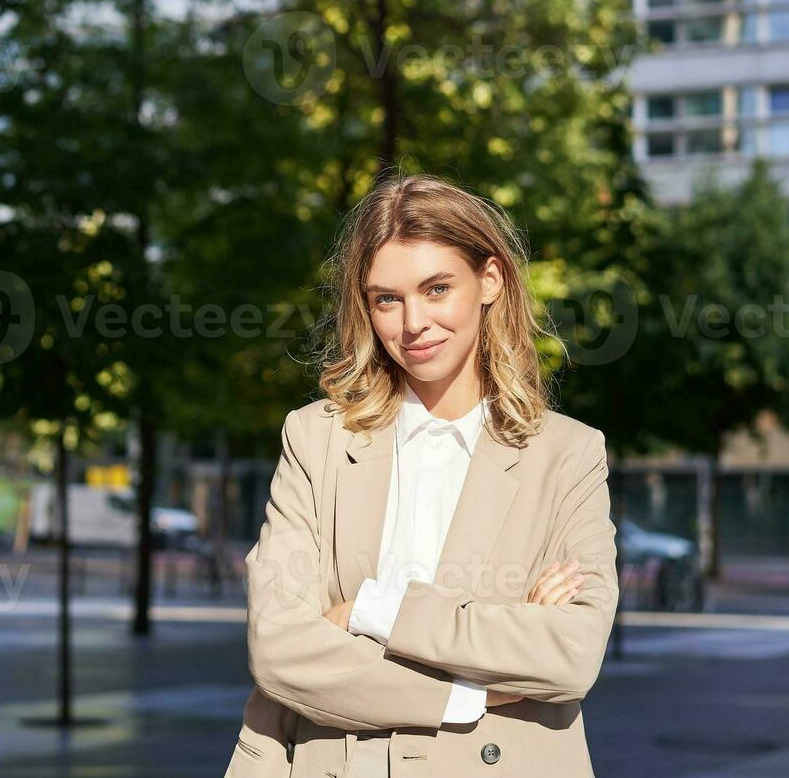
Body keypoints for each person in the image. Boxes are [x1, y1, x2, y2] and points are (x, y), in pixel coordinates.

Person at [228, 173, 619, 777]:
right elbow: (279, 649)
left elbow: (569, 655)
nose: (413, 323)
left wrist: (372, 610)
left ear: (490, 281)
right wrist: (470, 692)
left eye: (437, 289)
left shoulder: (567, 455)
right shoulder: (317, 439)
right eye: (388, 298)